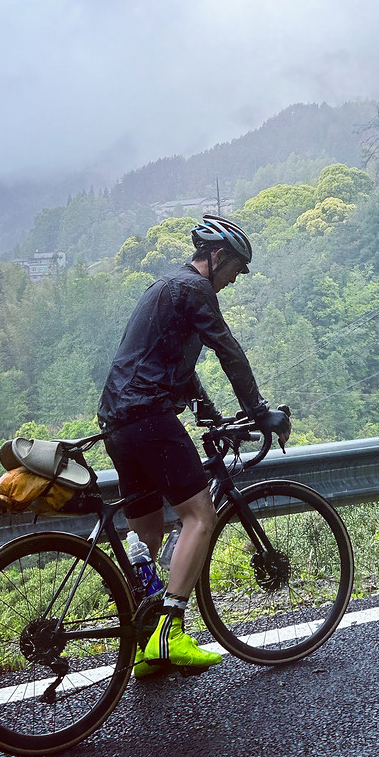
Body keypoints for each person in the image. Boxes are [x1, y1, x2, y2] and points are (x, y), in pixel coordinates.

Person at [98, 214, 290, 677]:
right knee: (200, 516)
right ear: (218, 257)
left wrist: (210, 413)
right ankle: (171, 631)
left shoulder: (166, 288)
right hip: (149, 417)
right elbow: (227, 349)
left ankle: (147, 644)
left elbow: (173, 363)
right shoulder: (195, 289)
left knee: (147, 531)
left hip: (117, 422)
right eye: (234, 270)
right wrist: (260, 410)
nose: (234, 281)